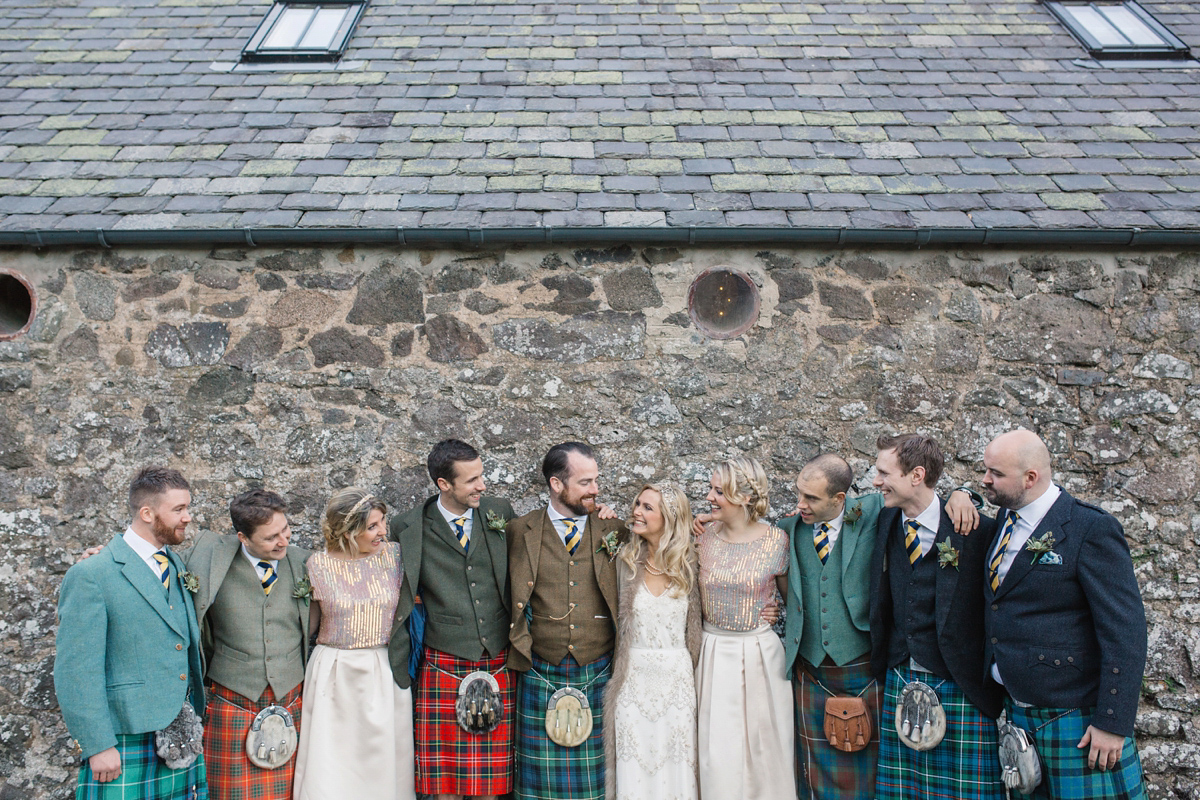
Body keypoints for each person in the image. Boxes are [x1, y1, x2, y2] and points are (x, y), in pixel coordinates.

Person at [781, 455, 981, 800]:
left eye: (811, 498)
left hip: (861, 663)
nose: (801, 505)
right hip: (810, 669)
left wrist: (963, 493)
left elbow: (922, 497)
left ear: (839, 499)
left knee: (871, 767)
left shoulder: (873, 512)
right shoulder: (789, 528)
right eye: (799, 494)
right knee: (814, 772)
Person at [981, 429, 1147, 799]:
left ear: (1030, 478)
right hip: (1018, 713)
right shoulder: (1005, 520)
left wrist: (1112, 723)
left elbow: (1125, 631)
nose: (985, 479)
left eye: (995, 473)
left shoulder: (1090, 528)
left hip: (1075, 719)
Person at [54, 466, 208, 800]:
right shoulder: (92, 574)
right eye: (179, 509)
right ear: (147, 513)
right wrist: (97, 745)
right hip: (126, 736)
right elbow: (75, 671)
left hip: (180, 731)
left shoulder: (176, 565)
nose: (188, 517)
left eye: (187, 507)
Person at [869, 433, 1004, 800]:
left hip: (960, 683)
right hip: (900, 675)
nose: (875, 481)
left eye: (883, 472)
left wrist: (964, 494)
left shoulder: (977, 531)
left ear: (916, 475)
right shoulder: (883, 520)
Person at [389, 439, 518, 800]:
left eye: (481, 475)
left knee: (489, 784)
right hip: (442, 659)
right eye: (472, 480)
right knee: (444, 782)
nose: (482, 485)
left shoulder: (500, 512)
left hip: (497, 656)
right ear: (444, 484)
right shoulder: (407, 528)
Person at [507, 441, 626, 800]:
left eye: (596, 481)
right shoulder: (518, 531)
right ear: (557, 485)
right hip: (541, 669)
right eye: (586, 482)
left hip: (598, 668)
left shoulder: (614, 530)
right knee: (538, 786)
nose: (595, 490)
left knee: (593, 784)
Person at [292, 488, 415, 800]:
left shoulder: (396, 556)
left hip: (383, 669)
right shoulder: (316, 565)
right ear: (347, 531)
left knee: (382, 763)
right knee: (332, 763)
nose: (383, 531)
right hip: (334, 673)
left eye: (382, 522)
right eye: (372, 526)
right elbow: (309, 625)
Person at [190, 489, 311, 800]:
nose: (283, 541)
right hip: (233, 698)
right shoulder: (208, 561)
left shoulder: (304, 562)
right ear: (243, 538)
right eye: (271, 537)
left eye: (285, 530)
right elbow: (156, 565)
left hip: (290, 697)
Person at [695, 456, 796, 800]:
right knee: (717, 752)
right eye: (711, 489)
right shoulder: (702, 537)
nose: (709, 497)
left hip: (760, 655)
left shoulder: (778, 541)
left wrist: (776, 613)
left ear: (745, 497)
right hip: (711, 652)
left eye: (719, 491)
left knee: (766, 750)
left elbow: (791, 603)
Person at [604, 482, 701, 800]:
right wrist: (603, 518)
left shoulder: (692, 562)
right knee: (634, 768)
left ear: (670, 517)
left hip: (677, 683)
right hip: (632, 681)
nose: (636, 511)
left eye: (647, 507)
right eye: (637, 504)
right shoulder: (624, 557)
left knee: (678, 768)